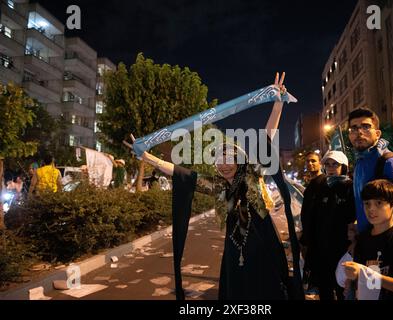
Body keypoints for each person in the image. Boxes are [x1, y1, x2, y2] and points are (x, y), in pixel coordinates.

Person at [125, 73, 304, 300]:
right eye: (220, 161)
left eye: (229, 159)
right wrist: (149, 158)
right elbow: (182, 174)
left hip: (264, 246)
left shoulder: (252, 174)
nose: (224, 165)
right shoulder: (217, 186)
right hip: (233, 251)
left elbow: (266, 137)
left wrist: (277, 104)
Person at [343, 180, 393, 300]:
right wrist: (351, 280)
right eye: (367, 203)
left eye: (379, 203)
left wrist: (363, 273)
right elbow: (364, 281)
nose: (371, 209)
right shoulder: (362, 239)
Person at [348, 108, 393, 233]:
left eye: (366, 127)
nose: (359, 132)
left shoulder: (391, 164)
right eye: (353, 128)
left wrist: (377, 240)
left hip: (389, 249)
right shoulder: (359, 165)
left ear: (377, 134)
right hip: (367, 247)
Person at [307, 150, 356, 300]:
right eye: (327, 164)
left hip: (342, 248)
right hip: (322, 248)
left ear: (344, 167)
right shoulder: (321, 187)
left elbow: (354, 216)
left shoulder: (350, 187)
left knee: (343, 288)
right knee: (325, 288)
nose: (331, 167)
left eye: (335, 164)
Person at [299, 151, 326, 295]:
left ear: (320, 163)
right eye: (308, 161)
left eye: (313, 161)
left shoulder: (323, 182)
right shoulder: (312, 183)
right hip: (310, 235)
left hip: (318, 236)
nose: (310, 164)